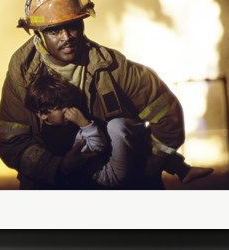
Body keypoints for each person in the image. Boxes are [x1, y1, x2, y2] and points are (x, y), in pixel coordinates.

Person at [0, 0, 210, 189]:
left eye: (73, 26)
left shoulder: (113, 67)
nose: (67, 37)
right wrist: (58, 167)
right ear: (39, 35)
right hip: (56, 183)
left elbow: (167, 115)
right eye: (55, 31)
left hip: (114, 181)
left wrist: (147, 169)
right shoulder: (22, 74)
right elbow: (12, 142)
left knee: (120, 127)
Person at [25, 69, 213, 188]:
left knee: (130, 133)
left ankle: (182, 170)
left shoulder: (61, 125)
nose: (68, 110)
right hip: (108, 176)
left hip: (109, 165)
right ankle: (180, 168)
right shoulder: (56, 137)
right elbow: (97, 147)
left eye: (67, 104)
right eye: (60, 108)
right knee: (118, 127)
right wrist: (84, 124)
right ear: (42, 114)